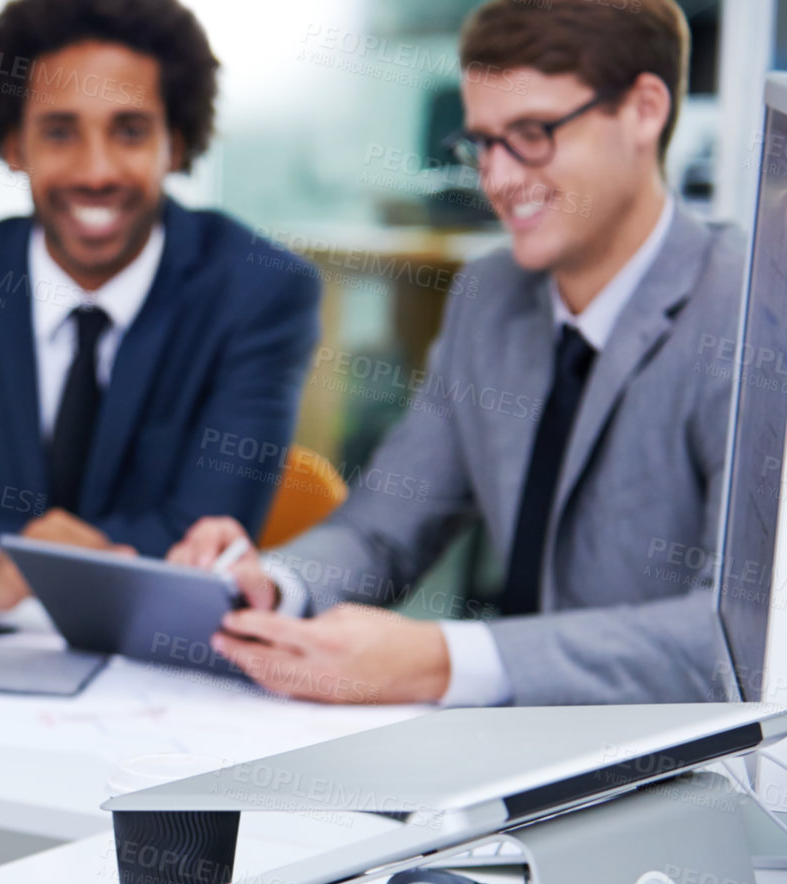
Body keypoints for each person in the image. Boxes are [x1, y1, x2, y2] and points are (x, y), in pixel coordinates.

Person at [168, 0, 741, 706]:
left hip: (680, 768)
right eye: (482, 144)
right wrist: (276, 584)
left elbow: (731, 635)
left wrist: (446, 658)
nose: (496, 180)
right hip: (511, 756)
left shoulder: (747, 311)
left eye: (531, 134)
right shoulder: (489, 295)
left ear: (644, 109)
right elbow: (381, 529)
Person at [0, 0, 321, 616]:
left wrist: (37, 565)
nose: (96, 170)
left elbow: (206, 533)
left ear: (177, 145)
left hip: (161, 652)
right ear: (13, 144)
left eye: (130, 130)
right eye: (59, 131)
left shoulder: (258, 290)